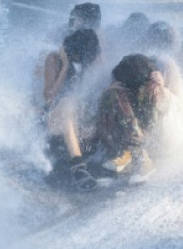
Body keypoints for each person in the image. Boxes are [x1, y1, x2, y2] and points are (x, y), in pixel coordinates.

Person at [41, 28, 102, 191]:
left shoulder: (89, 61)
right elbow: (49, 98)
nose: (78, 58)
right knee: (68, 102)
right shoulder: (54, 59)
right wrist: (66, 66)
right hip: (55, 118)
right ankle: (78, 166)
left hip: (79, 121)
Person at [95, 54, 171, 182]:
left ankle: (143, 159)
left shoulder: (155, 84)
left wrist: (161, 86)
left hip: (152, 139)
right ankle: (128, 154)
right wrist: (109, 92)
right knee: (111, 94)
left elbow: (166, 108)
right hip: (127, 138)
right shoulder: (123, 81)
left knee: (154, 90)